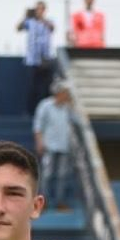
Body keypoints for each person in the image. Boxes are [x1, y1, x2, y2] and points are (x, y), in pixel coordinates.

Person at [32, 80, 80, 209]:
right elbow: (38, 125)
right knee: (47, 175)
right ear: (59, 93)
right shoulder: (45, 105)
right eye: (66, 92)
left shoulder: (68, 108)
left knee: (62, 175)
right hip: (49, 146)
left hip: (64, 146)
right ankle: (43, 202)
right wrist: (39, 142)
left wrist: (73, 106)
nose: (67, 95)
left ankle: (60, 202)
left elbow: (77, 121)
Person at [17, 1, 56, 112]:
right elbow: (18, 28)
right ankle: (30, 112)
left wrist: (42, 19)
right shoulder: (30, 22)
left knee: (46, 88)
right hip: (32, 60)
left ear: (44, 10)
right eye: (37, 9)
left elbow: (52, 28)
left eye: (41, 9)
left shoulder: (48, 21)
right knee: (31, 88)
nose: (38, 11)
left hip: (45, 60)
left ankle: (46, 112)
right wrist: (25, 16)